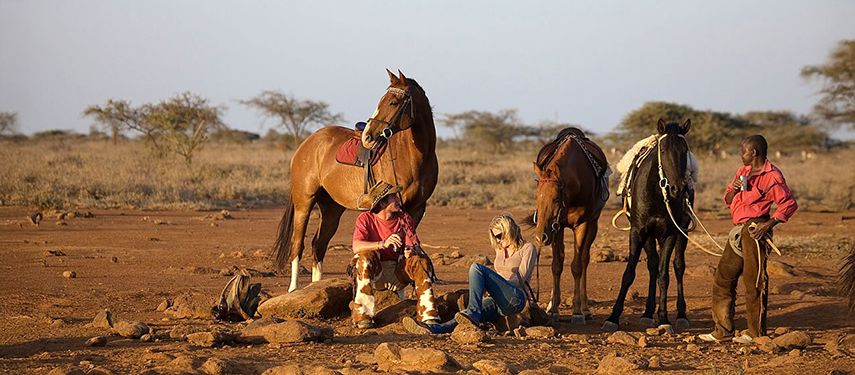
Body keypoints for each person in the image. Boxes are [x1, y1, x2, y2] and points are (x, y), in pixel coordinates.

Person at [699, 135, 797, 344]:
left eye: (743, 151)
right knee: (723, 277)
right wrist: (733, 191)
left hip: (755, 229)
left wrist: (768, 225)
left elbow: (788, 204)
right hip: (738, 230)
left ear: (754, 153)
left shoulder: (772, 176)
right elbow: (727, 199)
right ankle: (723, 330)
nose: (740, 155)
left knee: (754, 281)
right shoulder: (742, 172)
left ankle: (755, 333)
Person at [402, 213, 537, 334]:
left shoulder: (528, 248)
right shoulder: (500, 249)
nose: (497, 240)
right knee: (466, 316)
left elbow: (520, 279)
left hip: (515, 298)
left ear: (509, 230)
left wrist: (493, 284)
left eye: (499, 236)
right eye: (495, 237)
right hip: (497, 299)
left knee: (476, 268)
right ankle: (432, 329)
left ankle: (473, 311)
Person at [349, 181, 439, 329]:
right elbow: (356, 246)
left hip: (398, 273)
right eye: (394, 197)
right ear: (383, 202)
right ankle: (363, 317)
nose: (399, 199)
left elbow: (415, 246)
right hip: (375, 274)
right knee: (363, 257)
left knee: (420, 261)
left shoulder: (404, 218)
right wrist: (382, 244)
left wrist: (410, 251)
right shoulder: (365, 219)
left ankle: (429, 317)